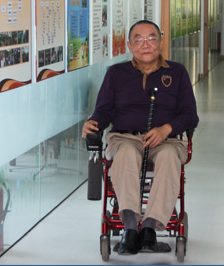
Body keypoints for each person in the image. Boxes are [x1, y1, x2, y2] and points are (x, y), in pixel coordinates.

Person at [82, 20, 199, 255]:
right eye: (138, 40)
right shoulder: (116, 73)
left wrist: (166, 129)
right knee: (125, 152)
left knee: (168, 156)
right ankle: (130, 228)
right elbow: (103, 111)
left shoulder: (177, 72)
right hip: (125, 138)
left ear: (161, 41)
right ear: (130, 45)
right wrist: (93, 123)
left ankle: (149, 228)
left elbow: (190, 115)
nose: (145, 45)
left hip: (166, 140)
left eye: (151, 38)